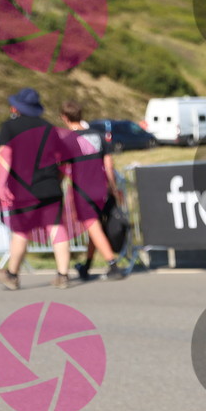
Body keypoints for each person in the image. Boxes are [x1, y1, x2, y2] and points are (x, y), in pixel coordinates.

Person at [0, 87, 72, 289]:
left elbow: (4, 156)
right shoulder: (49, 127)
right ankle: (63, 275)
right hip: (50, 186)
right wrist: (58, 178)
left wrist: (0, 185)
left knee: (21, 231)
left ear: (17, 107)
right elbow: (64, 159)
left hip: (22, 189)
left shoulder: (10, 127)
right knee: (57, 228)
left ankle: (12, 275)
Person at [57, 101, 125, 281]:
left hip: (83, 191)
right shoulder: (98, 135)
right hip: (101, 188)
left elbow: (62, 169)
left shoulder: (67, 141)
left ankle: (112, 265)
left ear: (64, 118)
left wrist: (56, 186)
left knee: (92, 226)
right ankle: (86, 265)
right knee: (95, 229)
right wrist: (113, 187)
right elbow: (108, 165)